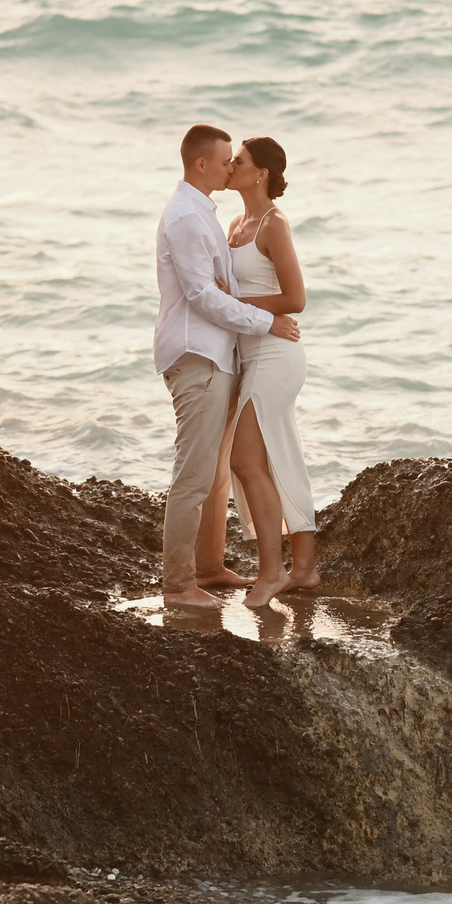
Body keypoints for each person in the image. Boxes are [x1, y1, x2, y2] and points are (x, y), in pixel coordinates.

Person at [154, 125, 297, 610]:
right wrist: (266, 321)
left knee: (214, 473)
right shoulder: (189, 219)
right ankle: (178, 585)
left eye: (236, 162)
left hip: (219, 356)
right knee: (193, 475)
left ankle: (210, 567)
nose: (229, 168)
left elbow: (221, 289)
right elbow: (202, 297)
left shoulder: (206, 215)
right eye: (224, 161)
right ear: (202, 165)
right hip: (198, 357)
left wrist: (243, 304)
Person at [210, 135, 315, 608]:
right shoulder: (236, 223)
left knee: (245, 460)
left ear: (262, 174)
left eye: (240, 161)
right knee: (278, 458)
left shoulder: (273, 224)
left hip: (276, 355)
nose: (230, 166)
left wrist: (230, 303)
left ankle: (271, 573)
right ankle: (305, 570)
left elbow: (296, 299)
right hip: (248, 356)